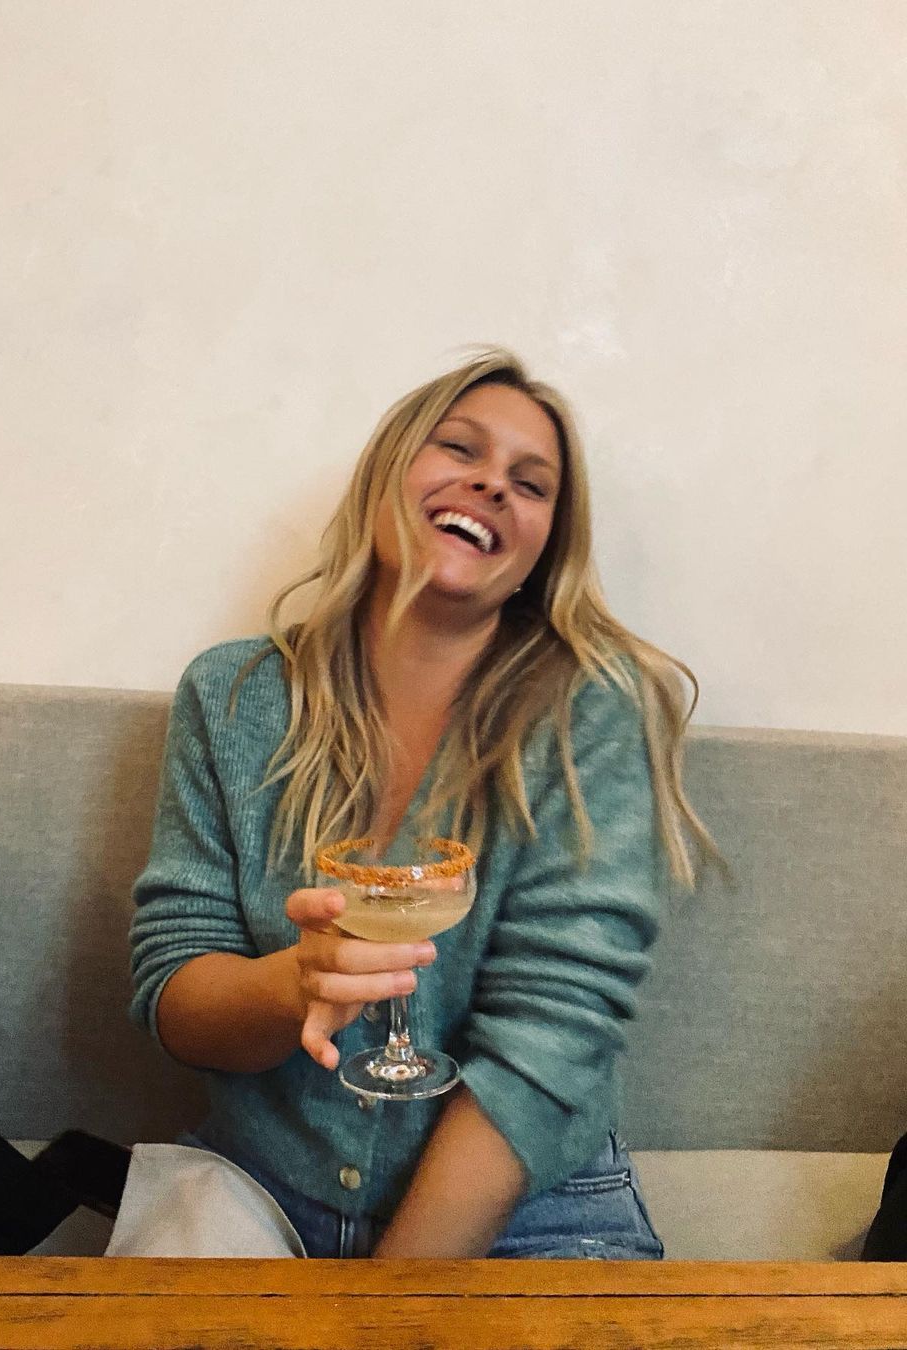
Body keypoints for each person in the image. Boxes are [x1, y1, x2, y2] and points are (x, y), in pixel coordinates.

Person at [128, 348, 718, 1259]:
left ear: (542, 550)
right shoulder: (233, 696)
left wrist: (383, 1312)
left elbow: (549, 1041)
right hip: (261, 1180)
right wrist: (295, 982)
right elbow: (175, 995)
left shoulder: (590, 713)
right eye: (459, 448)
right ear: (386, 474)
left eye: (531, 483)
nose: (491, 484)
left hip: (528, 1212)